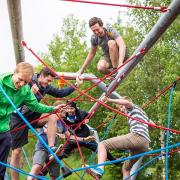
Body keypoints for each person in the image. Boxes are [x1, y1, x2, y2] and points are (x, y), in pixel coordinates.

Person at [10, 67, 83, 180]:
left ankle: (51, 148)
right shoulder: (28, 80)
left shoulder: (45, 87)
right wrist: (29, 90)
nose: (48, 83)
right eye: (48, 80)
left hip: (33, 116)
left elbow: (60, 93)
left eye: (50, 81)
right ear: (41, 75)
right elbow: (15, 86)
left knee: (53, 116)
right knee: (17, 152)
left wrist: (76, 85)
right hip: (18, 117)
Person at [0, 62, 62, 179]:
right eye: (20, 79)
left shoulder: (25, 90)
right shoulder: (1, 82)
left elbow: (35, 106)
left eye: (26, 82)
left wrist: (53, 109)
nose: (22, 84)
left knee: (1, 169)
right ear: (15, 73)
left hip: (4, 129)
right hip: (11, 121)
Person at [27, 101, 94, 179]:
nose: (66, 111)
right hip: (42, 148)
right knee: (36, 167)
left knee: (55, 175)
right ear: (58, 110)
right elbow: (46, 130)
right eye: (64, 109)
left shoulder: (62, 123)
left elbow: (70, 137)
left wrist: (84, 139)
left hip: (53, 152)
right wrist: (58, 134)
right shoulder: (49, 118)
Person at [88, 96, 151, 179]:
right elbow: (153, 125)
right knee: (126, 167)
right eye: (119, 108)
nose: (121, 109)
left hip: (137, 136)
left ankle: (100, 169)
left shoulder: (131, 107)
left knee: (102, 145)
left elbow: (127, 103)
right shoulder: (143, 113)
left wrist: (109, 99)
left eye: (121, 107)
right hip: (145, 144)